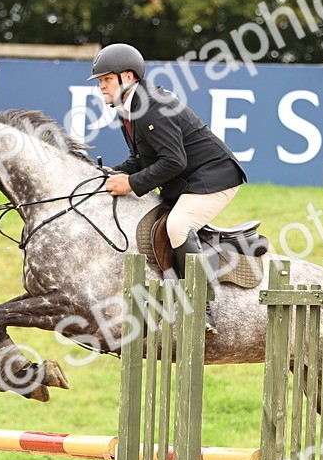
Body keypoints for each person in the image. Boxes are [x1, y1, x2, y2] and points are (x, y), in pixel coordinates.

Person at [90, 43, 247, 332]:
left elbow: (174, 161)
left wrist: (131, 183)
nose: (101, 86)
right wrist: (110, 173)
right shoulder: (128, 109)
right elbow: (141, 159)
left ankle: (201, 307)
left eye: (107, 79)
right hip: (189, 179)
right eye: (100, 81)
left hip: (215, 175)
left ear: (128, 77)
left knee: (178, 226)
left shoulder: (152, 107)